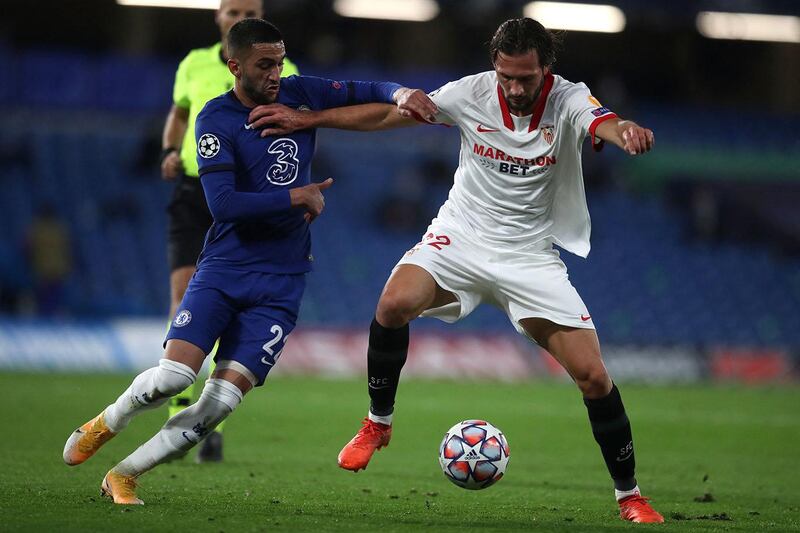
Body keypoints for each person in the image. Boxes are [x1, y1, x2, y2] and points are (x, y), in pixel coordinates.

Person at [247, 17, 663, 524]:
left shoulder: (570, 98)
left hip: (529, 255)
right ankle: (378, 422)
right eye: (506, 76)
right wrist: (307, 121)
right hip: (461, 237)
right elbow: (387, 117)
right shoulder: (470, 93)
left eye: (525, 79)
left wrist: (628, 134)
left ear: (545, 69)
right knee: (393, 304)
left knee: (594, 378)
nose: (514, 88)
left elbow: (605, 123)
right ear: (495, 67)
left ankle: (630, 496)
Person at [62, 18, 434, 505]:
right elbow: (223, 204)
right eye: (265, 64)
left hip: (282, 281)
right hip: (224, 268)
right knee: (174, 378)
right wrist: (295, 197)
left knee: (219, 404)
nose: (277, 73)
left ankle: (125, 474)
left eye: (280, 61)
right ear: (235, 66)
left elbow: (367, 88)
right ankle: (109, 420)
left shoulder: (301, 94)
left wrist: (402, 91)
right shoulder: (215, 118)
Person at [159, 0, 300, 462]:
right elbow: (180, 113)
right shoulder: (195, 64)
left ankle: (207, 418)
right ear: (217, 18)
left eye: (249, 9)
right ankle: (179, 405)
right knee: (185, 292)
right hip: (195, 189)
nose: (239, 16)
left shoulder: (284, 69)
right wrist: (169, 149)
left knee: (232, 306)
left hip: (249, 197)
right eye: (231, 9)